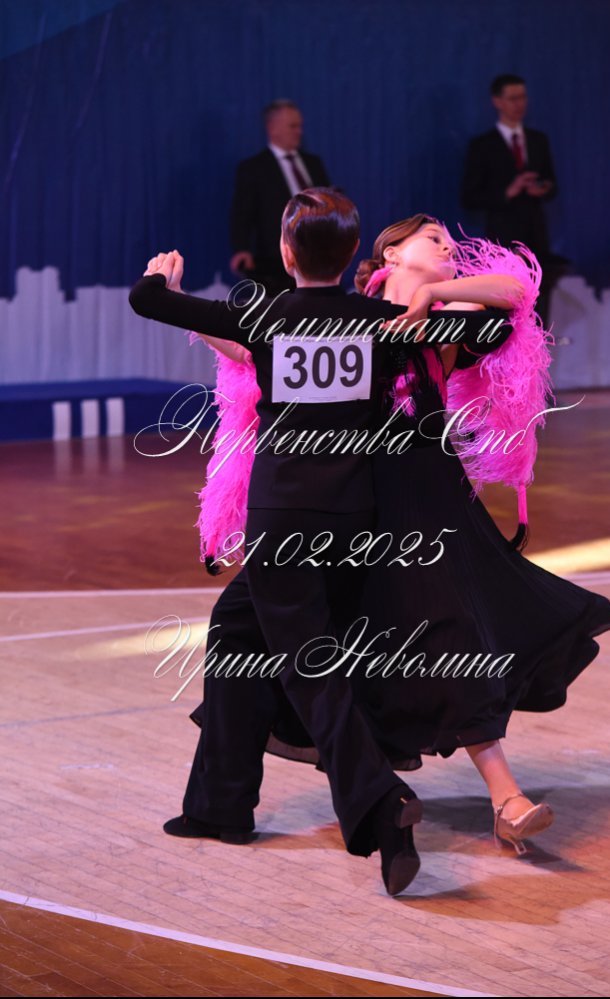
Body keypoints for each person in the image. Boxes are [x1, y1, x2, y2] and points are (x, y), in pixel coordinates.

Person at [190, 213, 610, 858]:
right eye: (434, 240)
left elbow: (514, 293)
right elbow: (259, 353)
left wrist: (430, 295)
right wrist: (199, 319)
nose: (450, 248)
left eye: (451, 243)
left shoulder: (445, 318)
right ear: (389, 252)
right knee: (247, 635)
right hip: (339, 505)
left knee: (444, 638)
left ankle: (496, 798)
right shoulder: (351, 315)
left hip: (420, 502)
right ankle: (227, 803)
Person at [130, 189, 510, 895]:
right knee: (237, 631)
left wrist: (163, 280)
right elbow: (497, 322)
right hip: (352, 521)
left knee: (311, 673)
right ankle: (219, 805)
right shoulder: (380, 321)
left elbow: (145, 301)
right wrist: (436, 300)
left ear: (285, 253)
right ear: (352, 254)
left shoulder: (265, 316)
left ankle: (380, 802)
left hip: (283, 522)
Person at [461, 74, 561, 325]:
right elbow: (469, 196)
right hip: (502, 237)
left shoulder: (538, 140)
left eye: (523, 97)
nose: (520, 104)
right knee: (504, 305)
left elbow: (552, 185)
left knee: (539, 302)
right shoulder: (483, 145)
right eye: (513, 98)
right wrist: (508, 192)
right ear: (497, 101)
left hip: (536, 235)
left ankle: (538, 347)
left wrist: (542, 188)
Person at [229, 99, 331, 295]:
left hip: (320, 256)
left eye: (300, 126)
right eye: (293, 126)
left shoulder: (314, 163)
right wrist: (241, 248)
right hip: (274, 264)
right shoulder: (253, 168)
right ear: (272, 128)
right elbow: (242, 213)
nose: (299, 131)